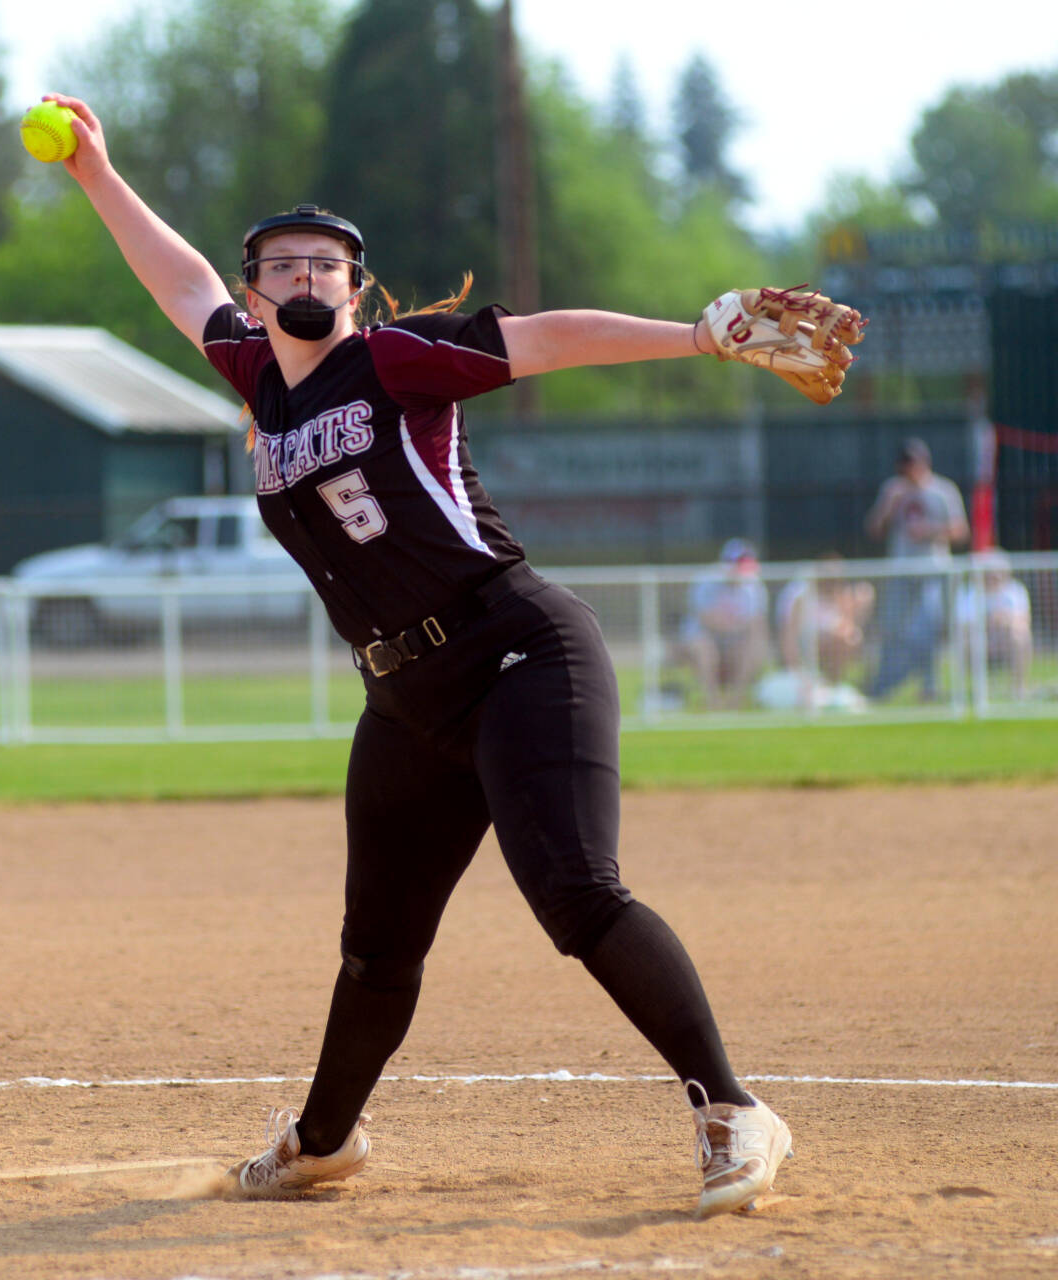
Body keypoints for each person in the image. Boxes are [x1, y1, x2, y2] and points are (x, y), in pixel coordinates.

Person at [48, 93, 793, 1219]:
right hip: (404, 698)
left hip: (516, 649)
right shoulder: (253, 378)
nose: (303, 277)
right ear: (257, 292)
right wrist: (98, 176)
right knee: (375, 951)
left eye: (326, 264)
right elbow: (178, 281)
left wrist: (693, 332)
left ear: (355, 287)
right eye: (280, 264)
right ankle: (320, 1143)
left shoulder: (396, 362)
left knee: (575, 895)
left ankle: (732, 1108)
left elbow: (543, 340)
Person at [864, 438, 969, 701]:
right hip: (901, 571)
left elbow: (961, 531)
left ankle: (929, 687)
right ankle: (883, 685)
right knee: (892, 630)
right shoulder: (893, 489)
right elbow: (873, 529)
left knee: (929, 629)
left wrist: (930, 531)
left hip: (934, 572)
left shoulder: (943, 490)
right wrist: (889, 506)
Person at [677, 539, 770, 710]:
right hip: (705, 637)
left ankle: (735, 699)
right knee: (704, 650)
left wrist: (737, 629)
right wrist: (734, 626)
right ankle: (712, 700)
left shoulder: (755, 586)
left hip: (735, 640)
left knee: (754, 647)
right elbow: (706, 619)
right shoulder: (705, 582)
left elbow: (756, 624)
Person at [775, 552, 874, 698]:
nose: (830, 581)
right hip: (805, 655)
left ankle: (832, 684)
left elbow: (848, 630)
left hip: (826, 654)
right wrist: (796, 672)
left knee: (850, 637)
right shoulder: (801, 597)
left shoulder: (841, 597)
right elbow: (789, 638)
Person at [954, 549, 1032, 700]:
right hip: (978, 642)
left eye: (998, 573)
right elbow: (963, 626)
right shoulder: (969, 593)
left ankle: (1019, 688)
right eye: (989, 573)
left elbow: (1023, 620)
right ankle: (972, 692)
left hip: (1005, 642)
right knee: (965, 641)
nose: (993, 577)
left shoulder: (1015, 590)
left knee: (1021, 636)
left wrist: (1003, 620)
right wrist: (987, 623)